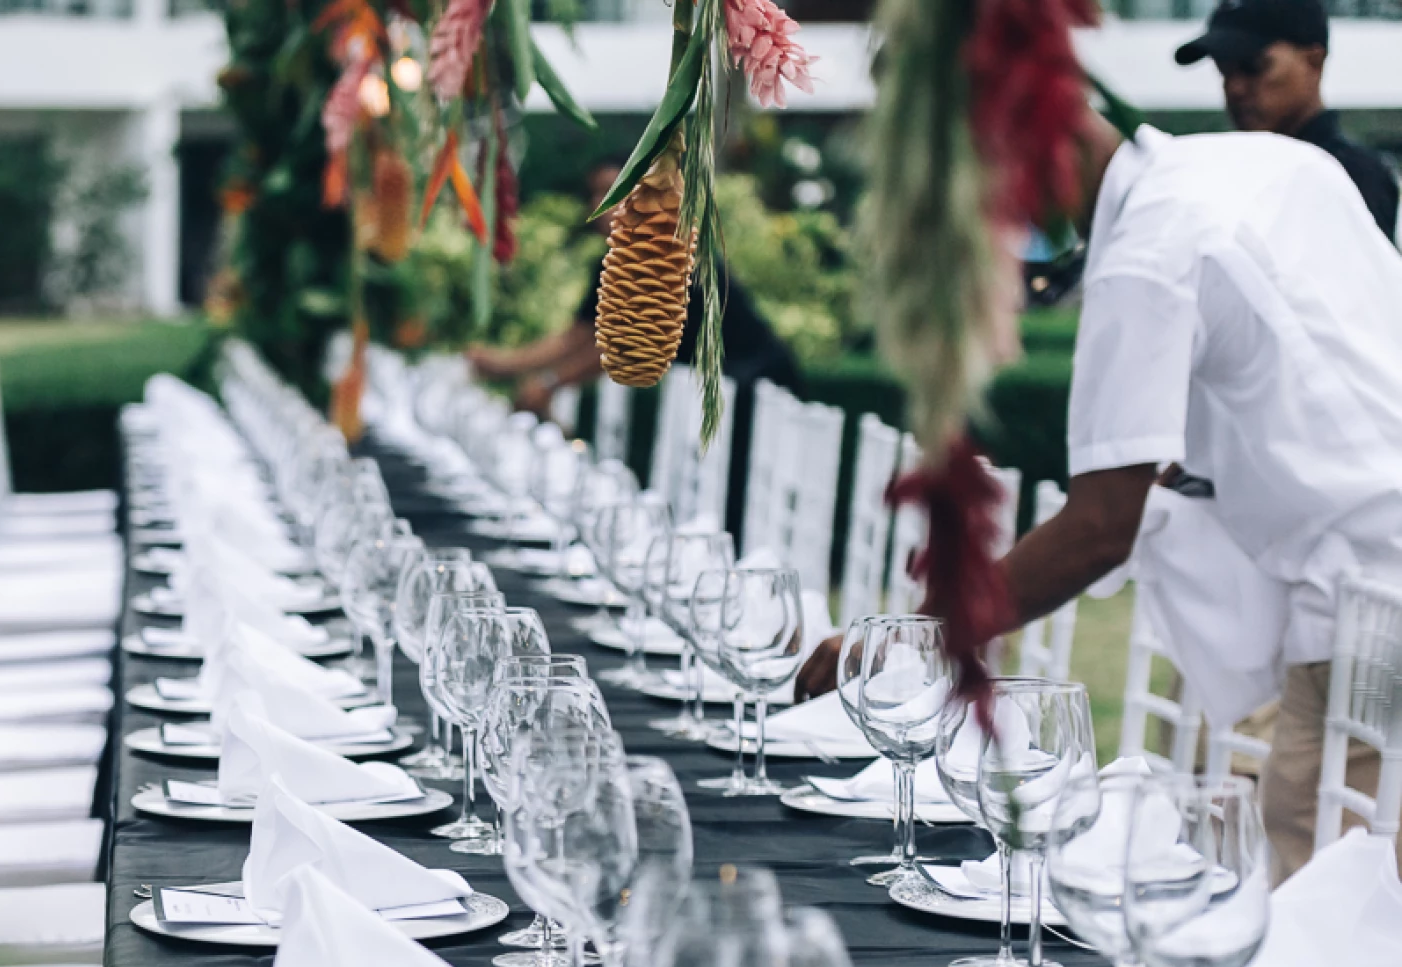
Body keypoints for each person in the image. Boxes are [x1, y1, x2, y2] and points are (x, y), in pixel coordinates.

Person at [799, 108, 1402, 878]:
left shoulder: (1148, 254)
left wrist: (910, 641)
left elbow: (1099, 527)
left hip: (1375, 606)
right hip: (1365, 584)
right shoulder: (1264, 163)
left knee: (1320, 916)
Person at [466, 162, 800, 417]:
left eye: (614, 191)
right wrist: (503, 364)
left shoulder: (660, 255)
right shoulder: (617, 260)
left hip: (755, 382)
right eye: (595, 193)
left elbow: (620, 344)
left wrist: (550, 382)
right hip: (718, 386)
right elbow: (579, 337)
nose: (602, 203)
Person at [1174, 0, 1399, 241]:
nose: (1234, 87)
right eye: (1223, 70)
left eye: (1253, 66)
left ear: (1314, 60)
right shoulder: (1225, 173)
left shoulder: (1348, 177)